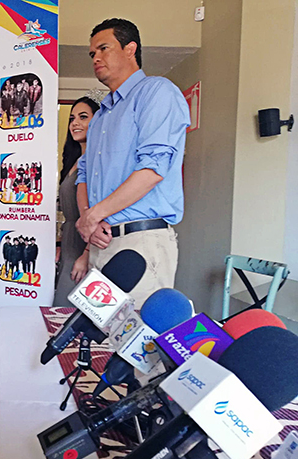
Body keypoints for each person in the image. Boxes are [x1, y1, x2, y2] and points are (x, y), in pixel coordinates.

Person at [76, 19, 190, 307]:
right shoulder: (100, 116)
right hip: (100, 243)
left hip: (140, 242)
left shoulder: (157, 92)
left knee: (137, 333)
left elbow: (153, 169)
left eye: (104, 48)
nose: (96, 58)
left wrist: (93, 215)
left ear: (130, 49)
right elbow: (84, 174)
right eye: (92, 53)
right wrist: (89, 221)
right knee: (96, 332)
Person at [52, 96, 100, 306]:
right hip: (70, 242)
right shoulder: (73, 162)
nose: (75, 123)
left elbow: (97, 213)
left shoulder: (97, 161)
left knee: (66, 307)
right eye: (72, 119)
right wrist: (61, 244)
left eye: (83, 117)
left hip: (85, 244)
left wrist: (86, 255)